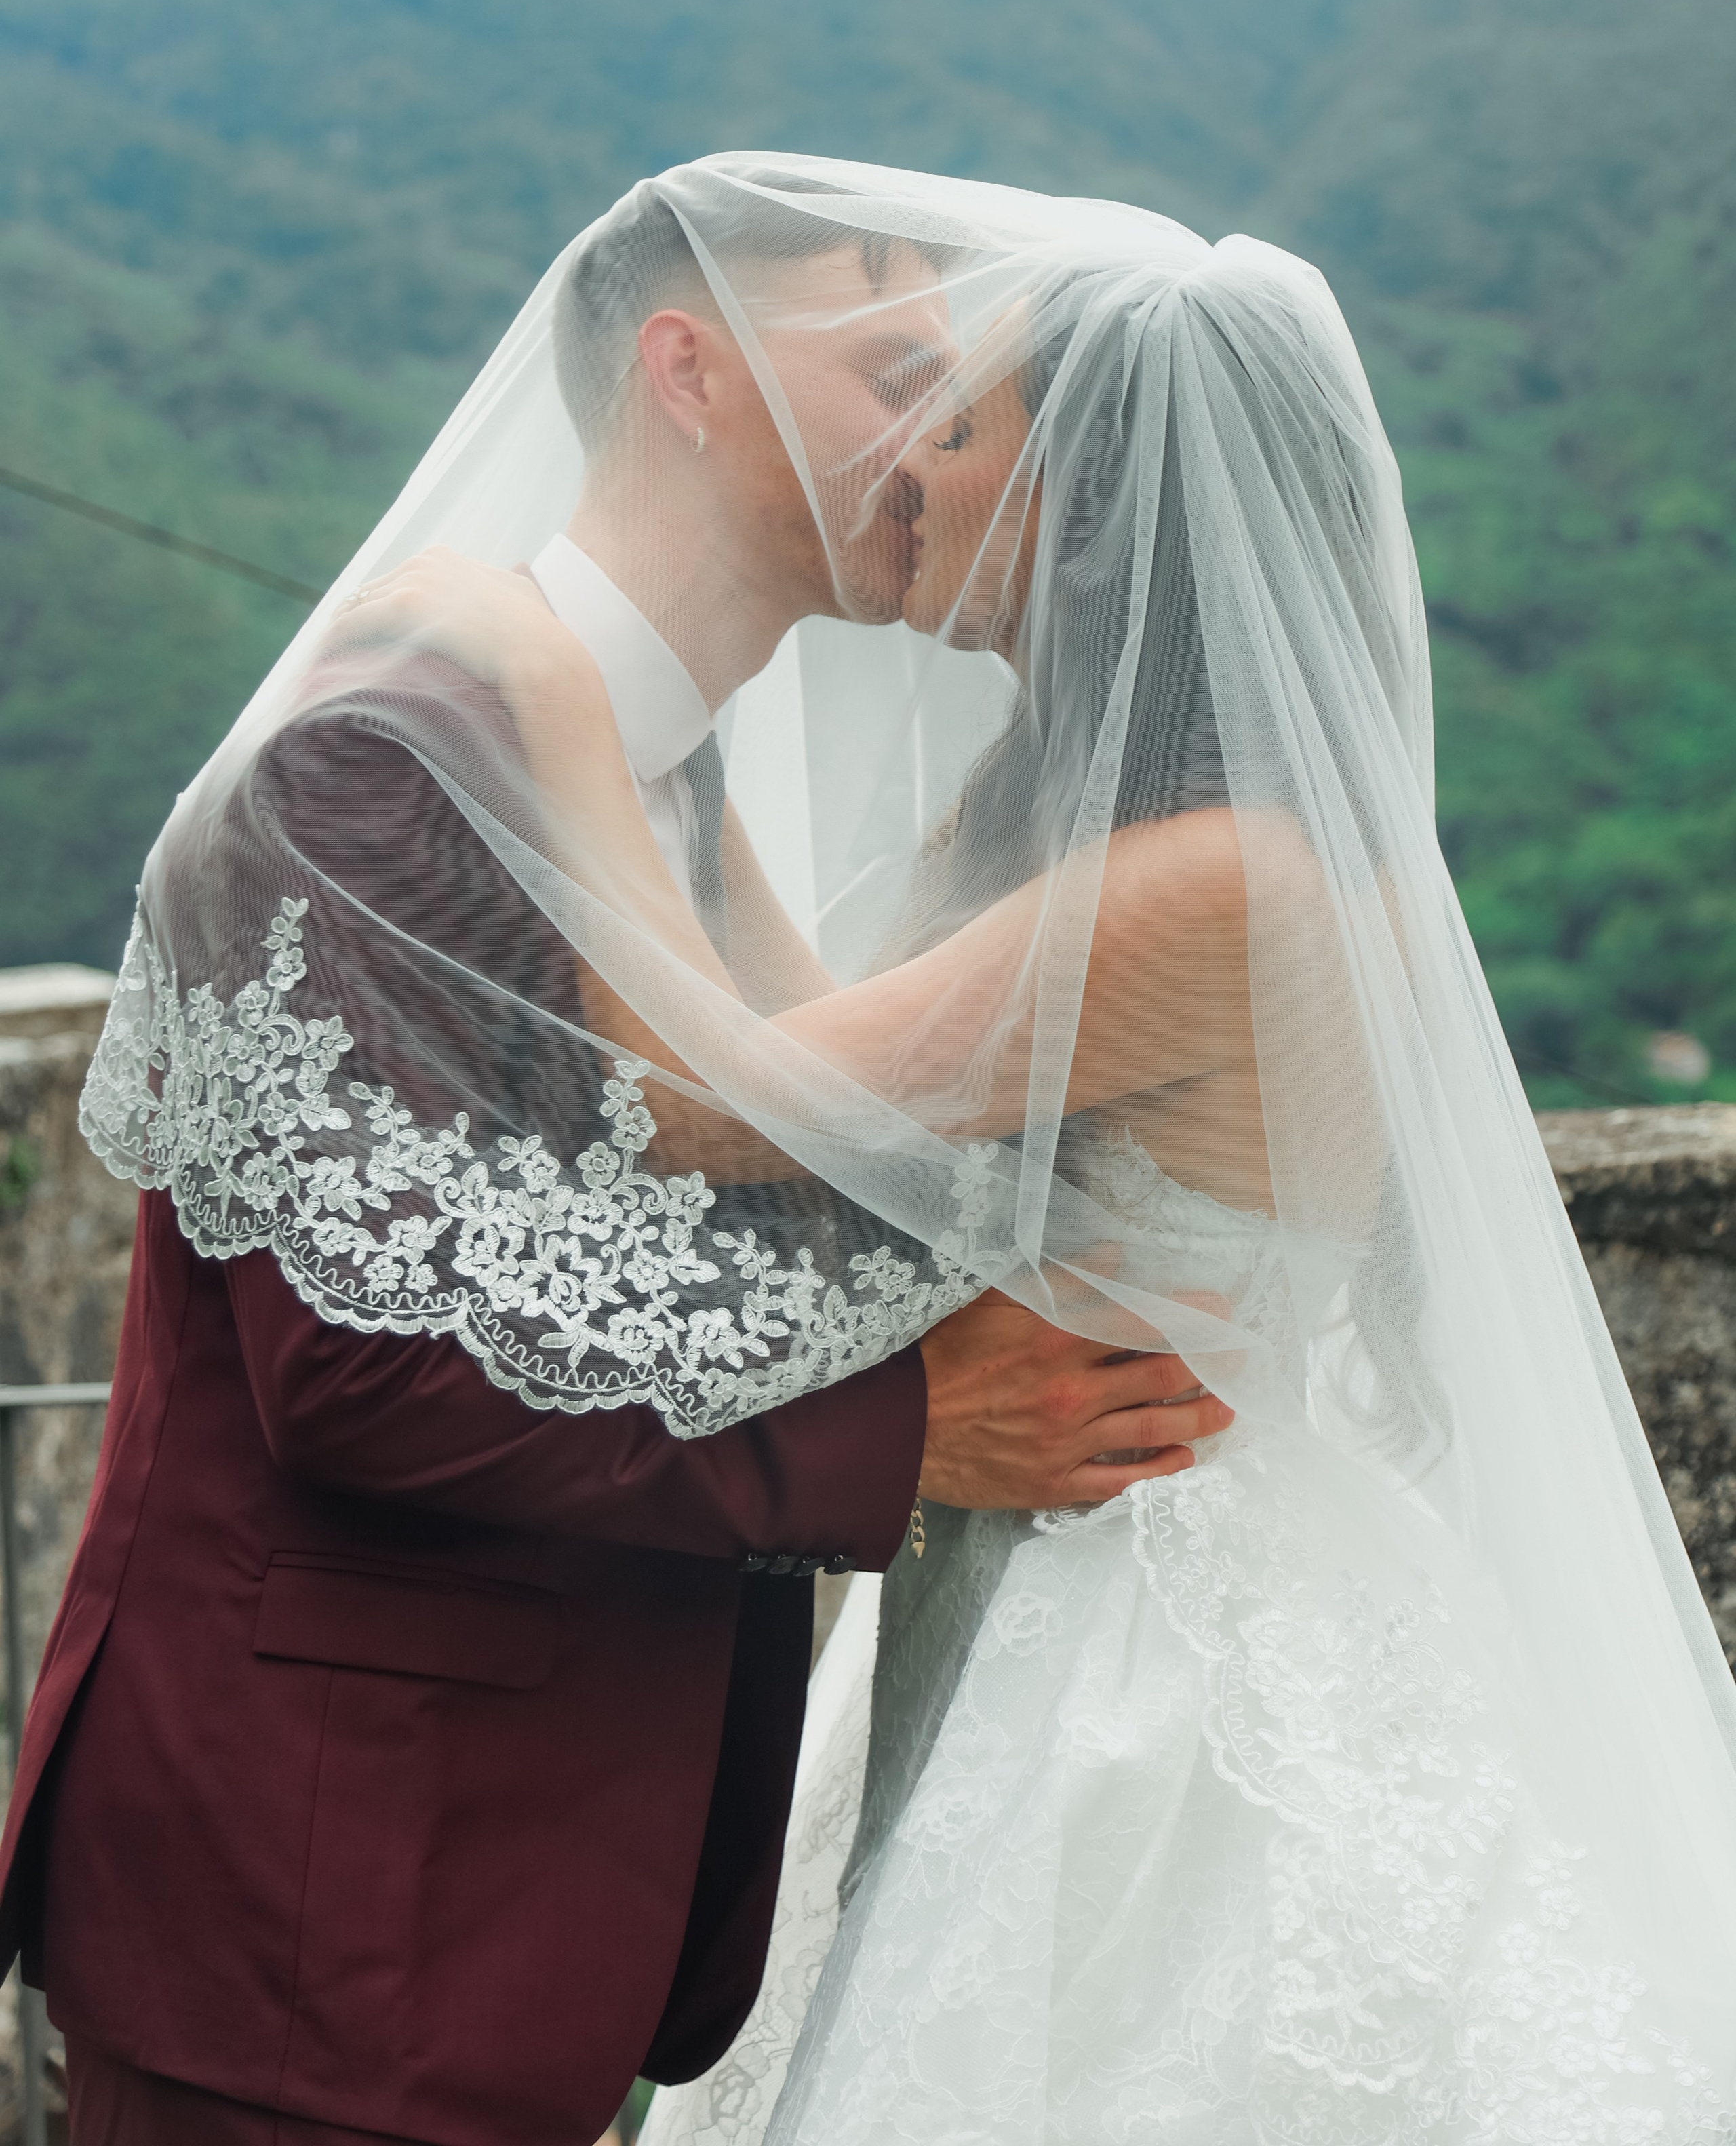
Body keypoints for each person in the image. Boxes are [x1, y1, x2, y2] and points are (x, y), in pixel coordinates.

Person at [349, 156, 1736, 2141]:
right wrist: (695, 744)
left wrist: (553, 694)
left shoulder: (1216, 886)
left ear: (1090, 506)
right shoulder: (1138, 854)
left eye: (967, 421)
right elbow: (828, 1070)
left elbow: (713, 1105)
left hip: (1148, 1647)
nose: (912, 456)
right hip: (1048, 1568)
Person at [0, 167, 1227, 2146]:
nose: (947, 433)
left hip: (545, 1886)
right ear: (690, 371)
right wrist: (906, 1438)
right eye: (898, 365)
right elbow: (359, 1370)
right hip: (324, 1903)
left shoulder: (676, 782)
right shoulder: (384, 761)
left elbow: (768, 1166)